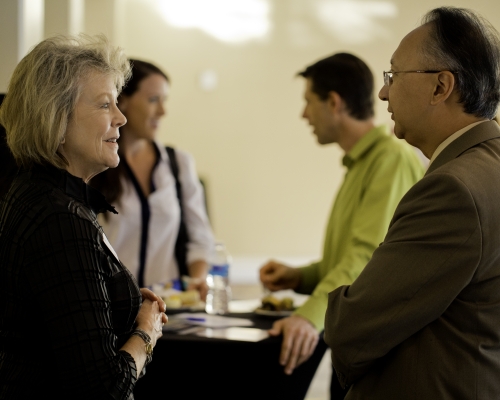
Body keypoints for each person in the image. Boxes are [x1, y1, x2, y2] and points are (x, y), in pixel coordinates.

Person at [324, 6, 500, 399]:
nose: (384, 91)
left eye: (394, 75)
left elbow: (354, 325)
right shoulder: (487, 165)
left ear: (441, 87)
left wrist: (340, 305)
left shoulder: (454, 190)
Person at [0, 34, 168, 399]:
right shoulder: (59, 218)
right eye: (105, 105)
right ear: (56, 118)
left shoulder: (37, 192)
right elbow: (102, 390)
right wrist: (146, 331)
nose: (121, 118)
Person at [259, 53, 425, 397]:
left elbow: (365, 259)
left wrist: (308, 318)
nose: (304, 114)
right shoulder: (360, 164)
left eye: (308, 102)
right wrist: (299, 276)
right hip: (354, 348)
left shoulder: (390, 160)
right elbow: (349, 259)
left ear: (334, 102)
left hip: (379, 357)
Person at [89, 59, 214, 300]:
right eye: (153, 100)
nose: (163, 111)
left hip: (168, 311)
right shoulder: (95, 164)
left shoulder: (178, 163)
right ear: (122, 101)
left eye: (164, 100)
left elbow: (200, 238)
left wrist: (197, 279)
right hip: (111, 310)